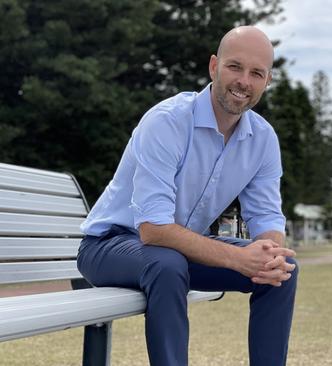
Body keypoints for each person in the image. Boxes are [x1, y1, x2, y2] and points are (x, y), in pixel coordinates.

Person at [76, 26, 297, 366]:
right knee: (167, 263)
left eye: (256, 73)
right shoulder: (167, 122)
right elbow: (153, 229)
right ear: (213, 67)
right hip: (108, 246)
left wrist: (268, 253)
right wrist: (239, 258)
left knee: (283, 269)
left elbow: (266, 217)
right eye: (235, 67)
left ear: (267, 81)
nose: (244, 81)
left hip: (174, 250)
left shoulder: (263, 139)